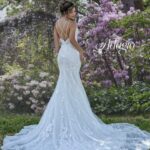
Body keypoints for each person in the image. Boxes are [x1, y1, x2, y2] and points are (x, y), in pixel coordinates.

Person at [1, 1, 150, 150]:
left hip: (62, 56)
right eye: (72, 11)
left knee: (64, 85)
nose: (75, 13)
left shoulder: (57, 23)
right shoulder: (72, 23)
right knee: (73, 85)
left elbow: (56, 46)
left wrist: (59, 54)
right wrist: (81, 51)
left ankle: (64, 117)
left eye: (75, 11)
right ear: (66, 12)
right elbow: (72, 40)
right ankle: (76, 118)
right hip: (71, 54)